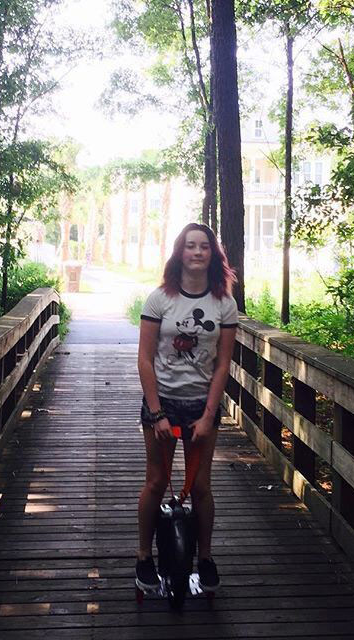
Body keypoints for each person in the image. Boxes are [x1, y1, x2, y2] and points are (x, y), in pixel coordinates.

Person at [136, 222, 238, 592]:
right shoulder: (159, 299)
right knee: (156, 481)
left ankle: (205, 559)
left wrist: (209, 415)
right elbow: (145, 359)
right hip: (162, 402)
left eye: (204, 246)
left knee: (201, 486)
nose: (197, 252)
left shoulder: (224, 303)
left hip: (201, 405)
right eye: (190, 246)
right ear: (180, 252)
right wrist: (157, 413)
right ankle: (144, 558)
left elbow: (223, 364)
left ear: (213, 254)